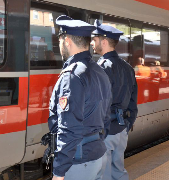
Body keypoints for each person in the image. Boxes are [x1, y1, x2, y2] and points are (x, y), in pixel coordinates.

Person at [49, 15, 112, 180]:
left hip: (78, 161)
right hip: (97, 155)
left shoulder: (72, 76)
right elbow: (106, 116)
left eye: (60, 40)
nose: (60, 45)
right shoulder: (99, 71)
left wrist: (59, 171)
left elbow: (69, 127)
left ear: (67, 40)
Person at [91, 20, 138, 180]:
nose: (92, 43)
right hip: (121, 129)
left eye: (94, 39)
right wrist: (127, 124)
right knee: (118, 171)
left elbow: (98, 103)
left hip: (107, 131)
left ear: (104, 42)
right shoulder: (127, 67)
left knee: (103, 174)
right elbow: (133, 102)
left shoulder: (101, 68)